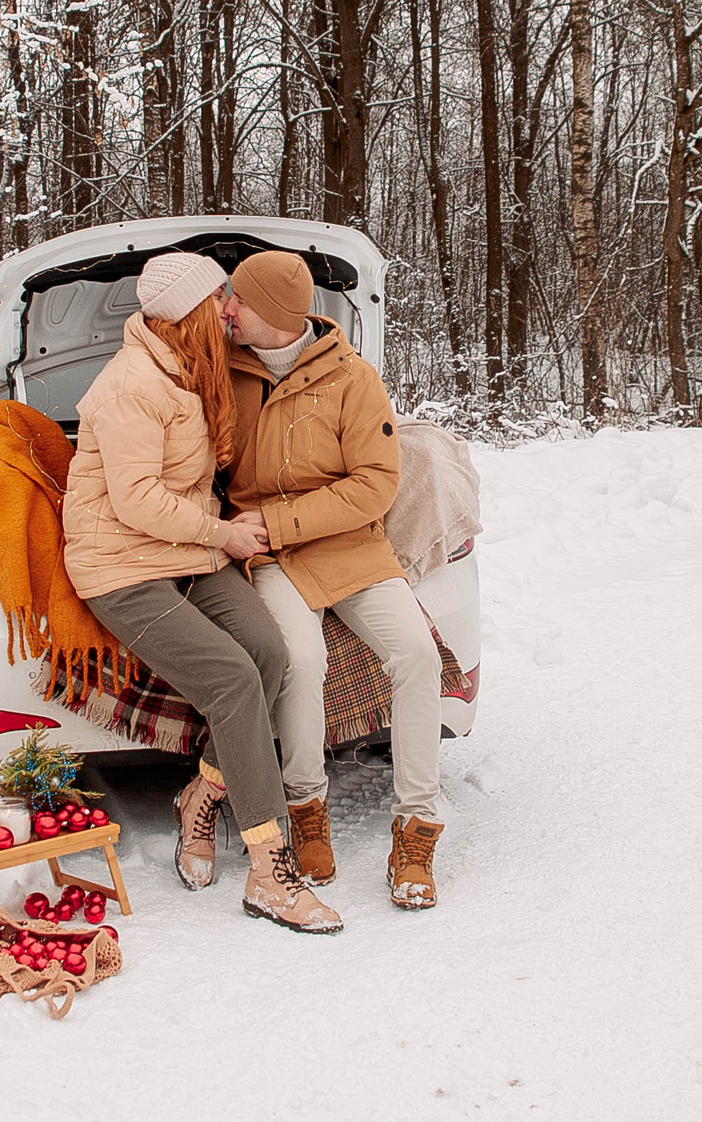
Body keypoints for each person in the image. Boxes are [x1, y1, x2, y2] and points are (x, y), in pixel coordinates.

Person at [61, 250, 343, 934]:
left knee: (269, 654)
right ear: (187, 311)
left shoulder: (189, 366)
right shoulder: (130, 385)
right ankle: (270, 869)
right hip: (122, 566)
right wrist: (223, 534)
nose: (229, 309)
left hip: (181, 550)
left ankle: (202, 794)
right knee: (233, 679)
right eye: (218, 298)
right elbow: (136, 503)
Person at [222, 250, 447, 910]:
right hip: (270, 555)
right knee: (300, 655)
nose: (228, 309)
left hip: (348, 546)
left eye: (239, 299)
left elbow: (375, 485)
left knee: (416, 653)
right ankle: (307, 807)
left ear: (276, 313)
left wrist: (280, 517)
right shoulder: (225, 373)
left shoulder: (354, 379)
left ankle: (417, 828)